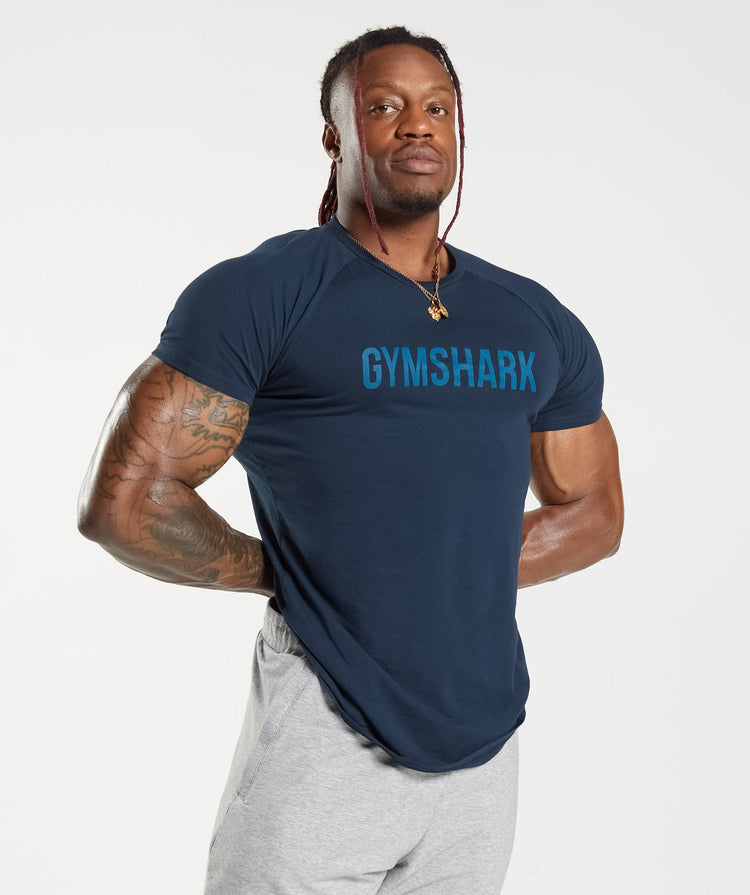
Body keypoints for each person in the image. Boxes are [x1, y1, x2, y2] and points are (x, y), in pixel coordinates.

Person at [78, 25, 624, 895]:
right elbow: (126, 499)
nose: (417, 123)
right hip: (327, 728)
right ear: (336, 136)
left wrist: (451, 571)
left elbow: (593, 512)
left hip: (483, 755)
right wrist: (294, 574)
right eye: (384, 106)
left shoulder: (531, 318)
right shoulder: (263, 294)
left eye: (437, 106)